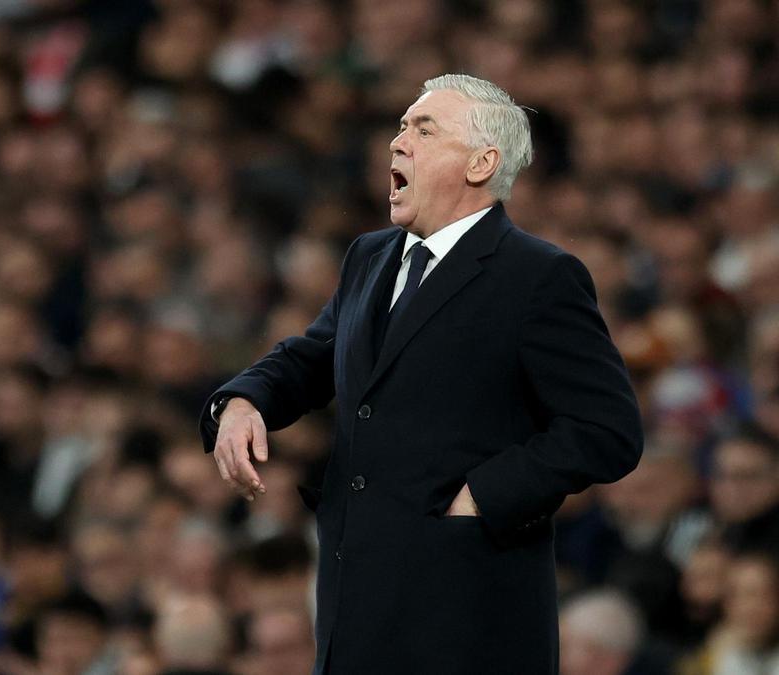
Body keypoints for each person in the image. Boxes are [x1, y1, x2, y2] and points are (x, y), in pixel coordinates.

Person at [200, 74, 644, 674]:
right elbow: (315, 354)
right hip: (355, 600)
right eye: (402, 125)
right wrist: (244, 400)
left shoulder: (538, 276)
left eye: (423, 128)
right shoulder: (370, 256)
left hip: (466, 608)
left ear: (482, 162)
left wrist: (480, 499)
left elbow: (606, 429)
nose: (396, 141)